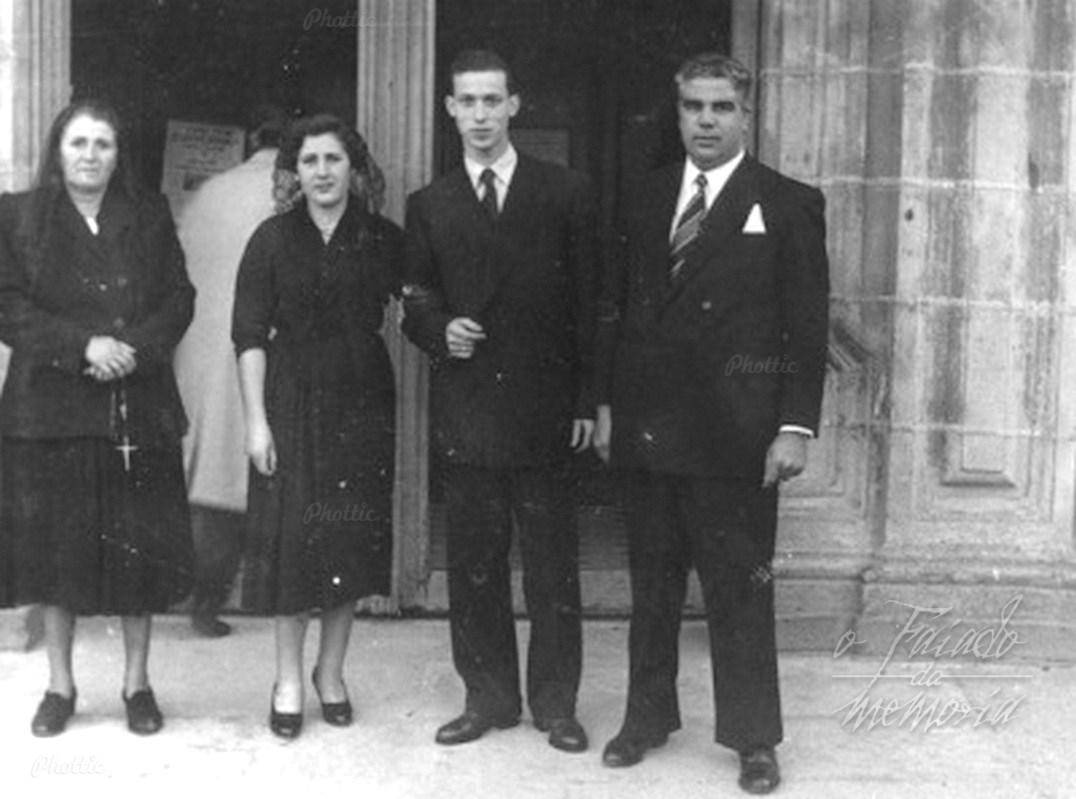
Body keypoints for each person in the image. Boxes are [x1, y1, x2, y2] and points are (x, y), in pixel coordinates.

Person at [593, 53, 829, 794]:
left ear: (746, 114)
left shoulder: (787, 203)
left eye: (721, 107)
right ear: (677, 113)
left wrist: (794, 426)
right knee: (653, 587)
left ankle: (754, 738)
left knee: (740, 590)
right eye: (693, 106)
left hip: (738, 435)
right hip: (652, 427)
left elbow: (806, 326)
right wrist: (607, 405)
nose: (705, 120)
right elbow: (617, 309)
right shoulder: (646, 196)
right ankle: (646, 718)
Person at [401, 49, 598, 753]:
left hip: (546, 411)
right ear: (450, 109)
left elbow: (591, 305)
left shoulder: (564, 191)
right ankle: (487, 697)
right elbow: (415, 299)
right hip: (471, 410)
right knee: (475, 568)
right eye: (468, 102)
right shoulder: (431, 204)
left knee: (552, 568)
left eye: (493, 101)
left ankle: (556, 703)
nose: (481, 115)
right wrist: (439, 329)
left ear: (514, 105)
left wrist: (588, 401)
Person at [0, 99, 196, 737]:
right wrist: (84, 346)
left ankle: (137, 685)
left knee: (138, 551)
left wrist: (132, 350)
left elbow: (179, 297)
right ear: (58, 150)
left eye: (103, 144)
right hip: (51, 412)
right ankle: (60, 686)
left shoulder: (149, 213)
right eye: (78, 142)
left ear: (118, 154)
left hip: (135, 401)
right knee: (55, 554)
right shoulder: (18, 216)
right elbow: (8, 305)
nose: (90, 155)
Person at [231, 113, 401, 739]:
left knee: (347, 536)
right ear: (293, 173)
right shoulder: (271, 240)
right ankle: (286, 680)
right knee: (292, 540)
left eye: (334, 159)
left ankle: (331, 673)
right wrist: (257, 423)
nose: (323, 172)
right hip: (291, 400)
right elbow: (248, 335)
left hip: (361, 400)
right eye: (310, 161)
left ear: (353, 168)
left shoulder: (382, 238)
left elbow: (423, 304)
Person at [174, 105, 287, 638]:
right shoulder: (287, 195)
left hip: (199, 352)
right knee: (254, 479)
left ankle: (202, 595)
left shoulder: (211, 191)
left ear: (253, 140)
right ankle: (244, 594)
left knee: (210, 481)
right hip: (257, 351)